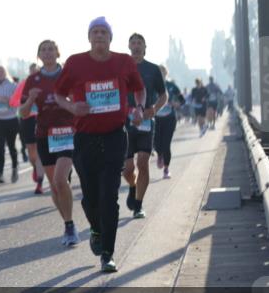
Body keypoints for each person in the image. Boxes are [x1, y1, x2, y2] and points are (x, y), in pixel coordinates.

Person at [54, 18, 144, 273]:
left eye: (104, 32)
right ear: (89, 37)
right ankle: (95, 228)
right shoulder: (75, 62)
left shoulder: (124, 62)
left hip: (115, 136)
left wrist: (138, 108)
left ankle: (108, 253)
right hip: (85, 139)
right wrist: (73, 107)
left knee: (109, 196)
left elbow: (139, 90)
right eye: (95, 31)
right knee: (90, 198)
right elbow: (59, 95)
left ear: (110, 38)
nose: (99, 35)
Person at [20, 41, 78, 245]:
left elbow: (81, 101)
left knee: (61, 180)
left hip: (68, 132)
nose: (47, 52)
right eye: (43, 50)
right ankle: (68, 223)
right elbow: (23, 112)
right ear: (38, 55)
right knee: (55, 185)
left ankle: (70, 226)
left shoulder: (68, 75)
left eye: (51, 49)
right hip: (44, 134)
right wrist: (30, 100)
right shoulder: (33, 80)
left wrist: (71, 100)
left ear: (58, 52)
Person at [122, 34, 167, 220]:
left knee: (142, 163)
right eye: (133, 42)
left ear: (145, 47)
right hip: (125, 122)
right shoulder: (121, 67)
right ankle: (132, 187)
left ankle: (138, 205)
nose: (136, 45)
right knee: (127, 168)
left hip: (146, 122)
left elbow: (164, 96)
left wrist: (154, 109)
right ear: (129, 46)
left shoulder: (153, 69)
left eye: (139, 42)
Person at [13, 65, 44, 194]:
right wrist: (26, 103)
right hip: (27, 120)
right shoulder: (24, 84)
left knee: (40, 152)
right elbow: (13, 101)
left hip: (42, 119)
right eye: (31, 72)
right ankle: (36, 169)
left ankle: (40, 182)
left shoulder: (45, 82)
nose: (34, 75)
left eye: (36, 72)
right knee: (32, 153)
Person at [154, 65, 184, 179]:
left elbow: (182, 100)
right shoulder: (152, 85)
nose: (160, 75)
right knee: (157, 144)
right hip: (156, 118)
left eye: (163, 72)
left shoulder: (171, 86)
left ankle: (166, 169)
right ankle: (159, 154)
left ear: (166, 73)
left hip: (169, 118)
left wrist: (177, 104)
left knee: (166, 144)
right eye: (158, 72)